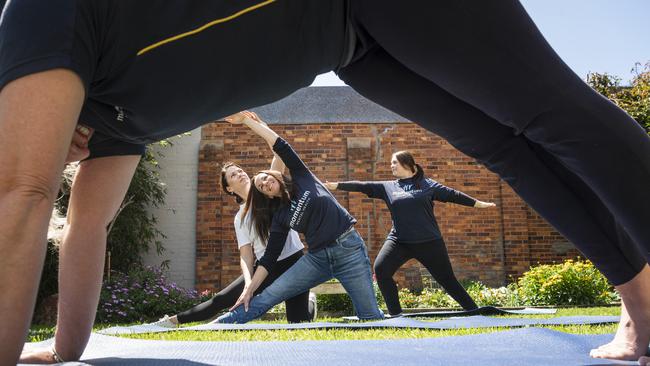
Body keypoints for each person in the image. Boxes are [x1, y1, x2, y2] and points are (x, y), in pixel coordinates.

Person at [0, 1, 648, 363]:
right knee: (499, 146)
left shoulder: (37, 21)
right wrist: (63, 353)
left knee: (550, 115)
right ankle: (643, 307)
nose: (65, 152)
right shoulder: (112, 124)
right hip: (352, 41)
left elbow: (22, 193)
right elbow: (84, 225)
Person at [214, 111, 383, 324]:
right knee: (268, 296)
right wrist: (249, 288)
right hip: (317, 258)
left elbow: (279, 145)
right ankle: (222, 323)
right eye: (261, 186)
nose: (264, 182)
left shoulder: (302, 177)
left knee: (369, 318)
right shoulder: (281, 216)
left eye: (265, 177)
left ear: (274, 174)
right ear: (265, 195)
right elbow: (268, 258)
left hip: (349, 250)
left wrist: (247, 121)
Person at [149, 157, 316, 328]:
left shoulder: (266, 192)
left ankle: (309, 304)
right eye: (233, 175)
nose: (240, 173)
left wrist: (270, 139)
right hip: (265, 269)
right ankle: (170, 321)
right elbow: (245, 255)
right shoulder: (239, 218)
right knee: (221, 299)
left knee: (297, 322)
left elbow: (278, 162)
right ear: (229, 188)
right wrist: (248, 283)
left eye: (240, 170)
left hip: (293, 262)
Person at [325, 151, 496, 316]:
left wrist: (479, 204)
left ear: (407, 164)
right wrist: (337, 185)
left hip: (429, 242)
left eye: (394, 162)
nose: (391, 166)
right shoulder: (389, 187)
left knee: (447, 280)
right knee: (381, 270)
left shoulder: (427, 185)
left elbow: (454, 195)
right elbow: (363, 186)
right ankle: (396, 314)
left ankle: (473, 311)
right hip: (399, 241)